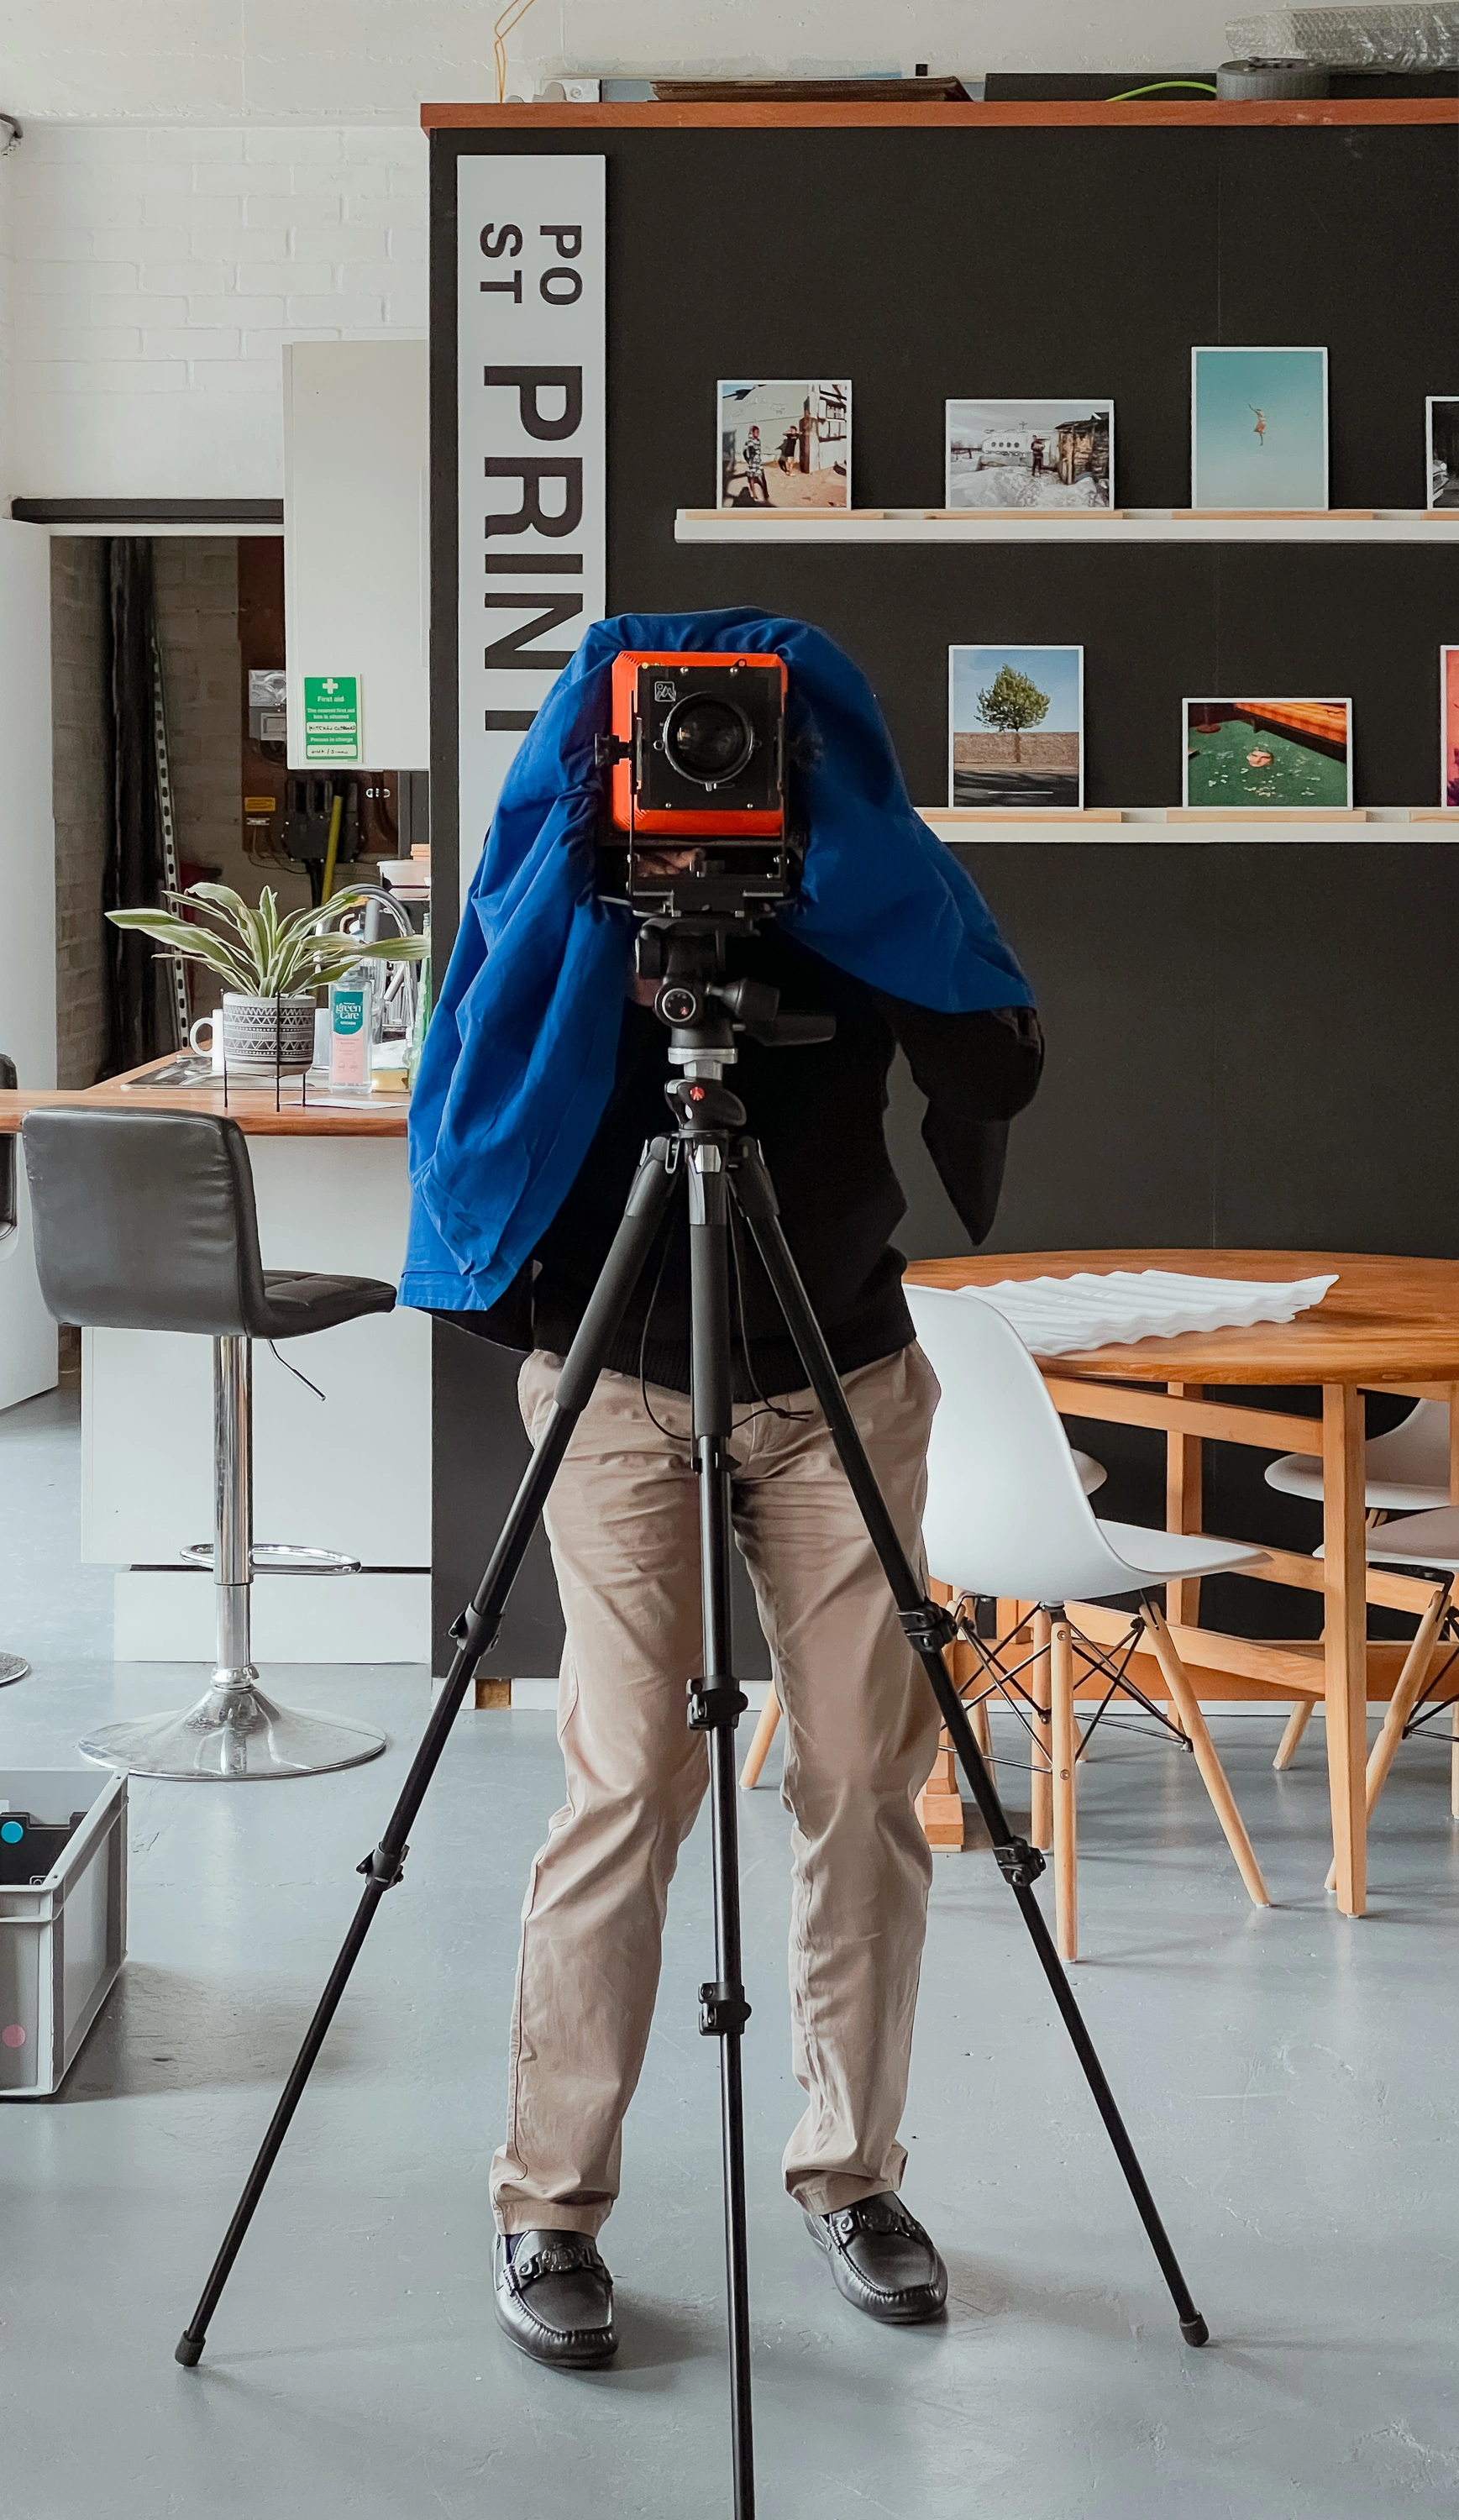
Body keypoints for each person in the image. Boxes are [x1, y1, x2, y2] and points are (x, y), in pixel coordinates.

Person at [401, 611, 1042, 2374]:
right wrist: (598, 912)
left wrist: (860, 876)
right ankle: (547, 2208)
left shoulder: (856, 883)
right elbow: (473, 1088)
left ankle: (849, 2170)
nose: (708, 772)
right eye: (674, 739)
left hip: (840, 1371)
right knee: (631, 1776)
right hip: (618, 1389)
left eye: (744, 741)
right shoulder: (567, 893)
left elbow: (999, 1064)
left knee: (860, 1780)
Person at [743, 424, 770, 503]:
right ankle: (754, 494)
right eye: (756, 432)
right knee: (751, 477)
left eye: (759, 432)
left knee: (763, 477)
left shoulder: (758, 441)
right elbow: (744, 452)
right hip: (752, 463)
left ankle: (766, 493)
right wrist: (748, 460)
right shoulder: (749, 442)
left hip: (759, 462)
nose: (758, 433)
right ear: (752, 432)